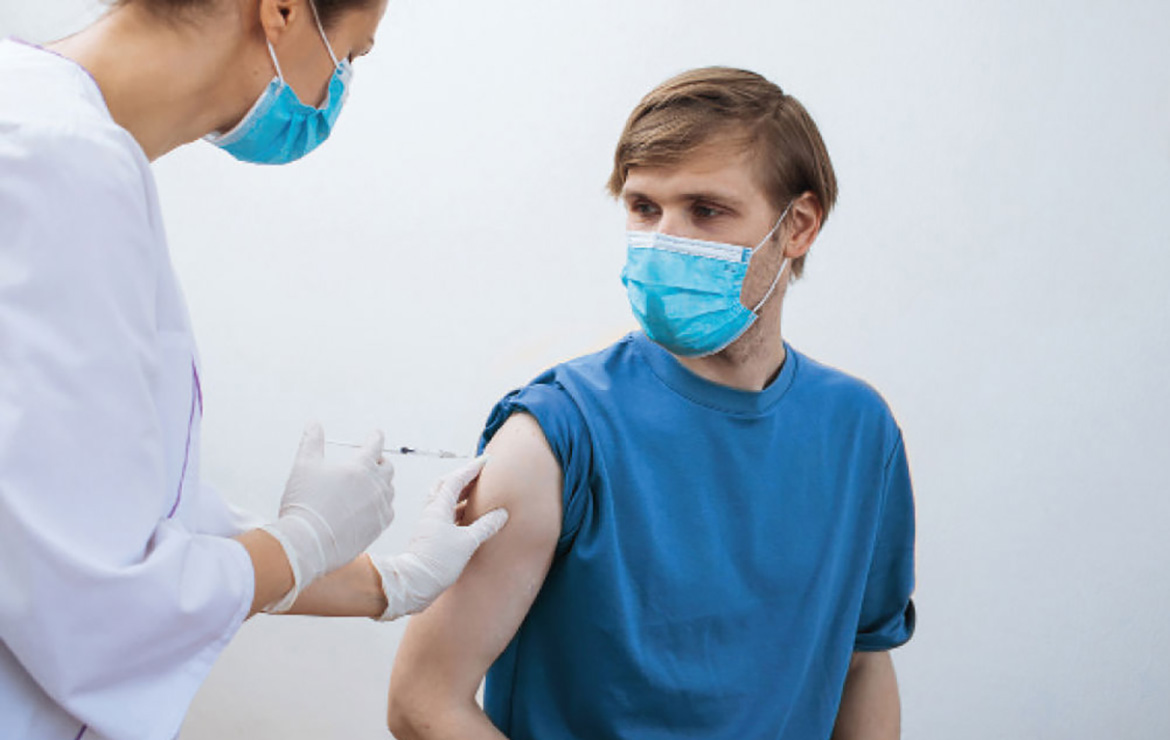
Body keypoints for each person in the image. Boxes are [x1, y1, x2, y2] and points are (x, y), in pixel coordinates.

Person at [0, 1, 507, 739]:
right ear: (282, 11)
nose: (335, 93)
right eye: (352, 57)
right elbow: (94, 600)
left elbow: (135, 524)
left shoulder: (49, 128)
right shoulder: (56, 164)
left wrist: (393, 581)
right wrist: (298, 541)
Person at [387, 67, 917, 740]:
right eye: (644, 208)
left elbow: (864, 663)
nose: (665, 239)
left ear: (799, 226)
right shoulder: (554, 436)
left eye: (706, 209)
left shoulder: (859, 433)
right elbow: (424, 701)